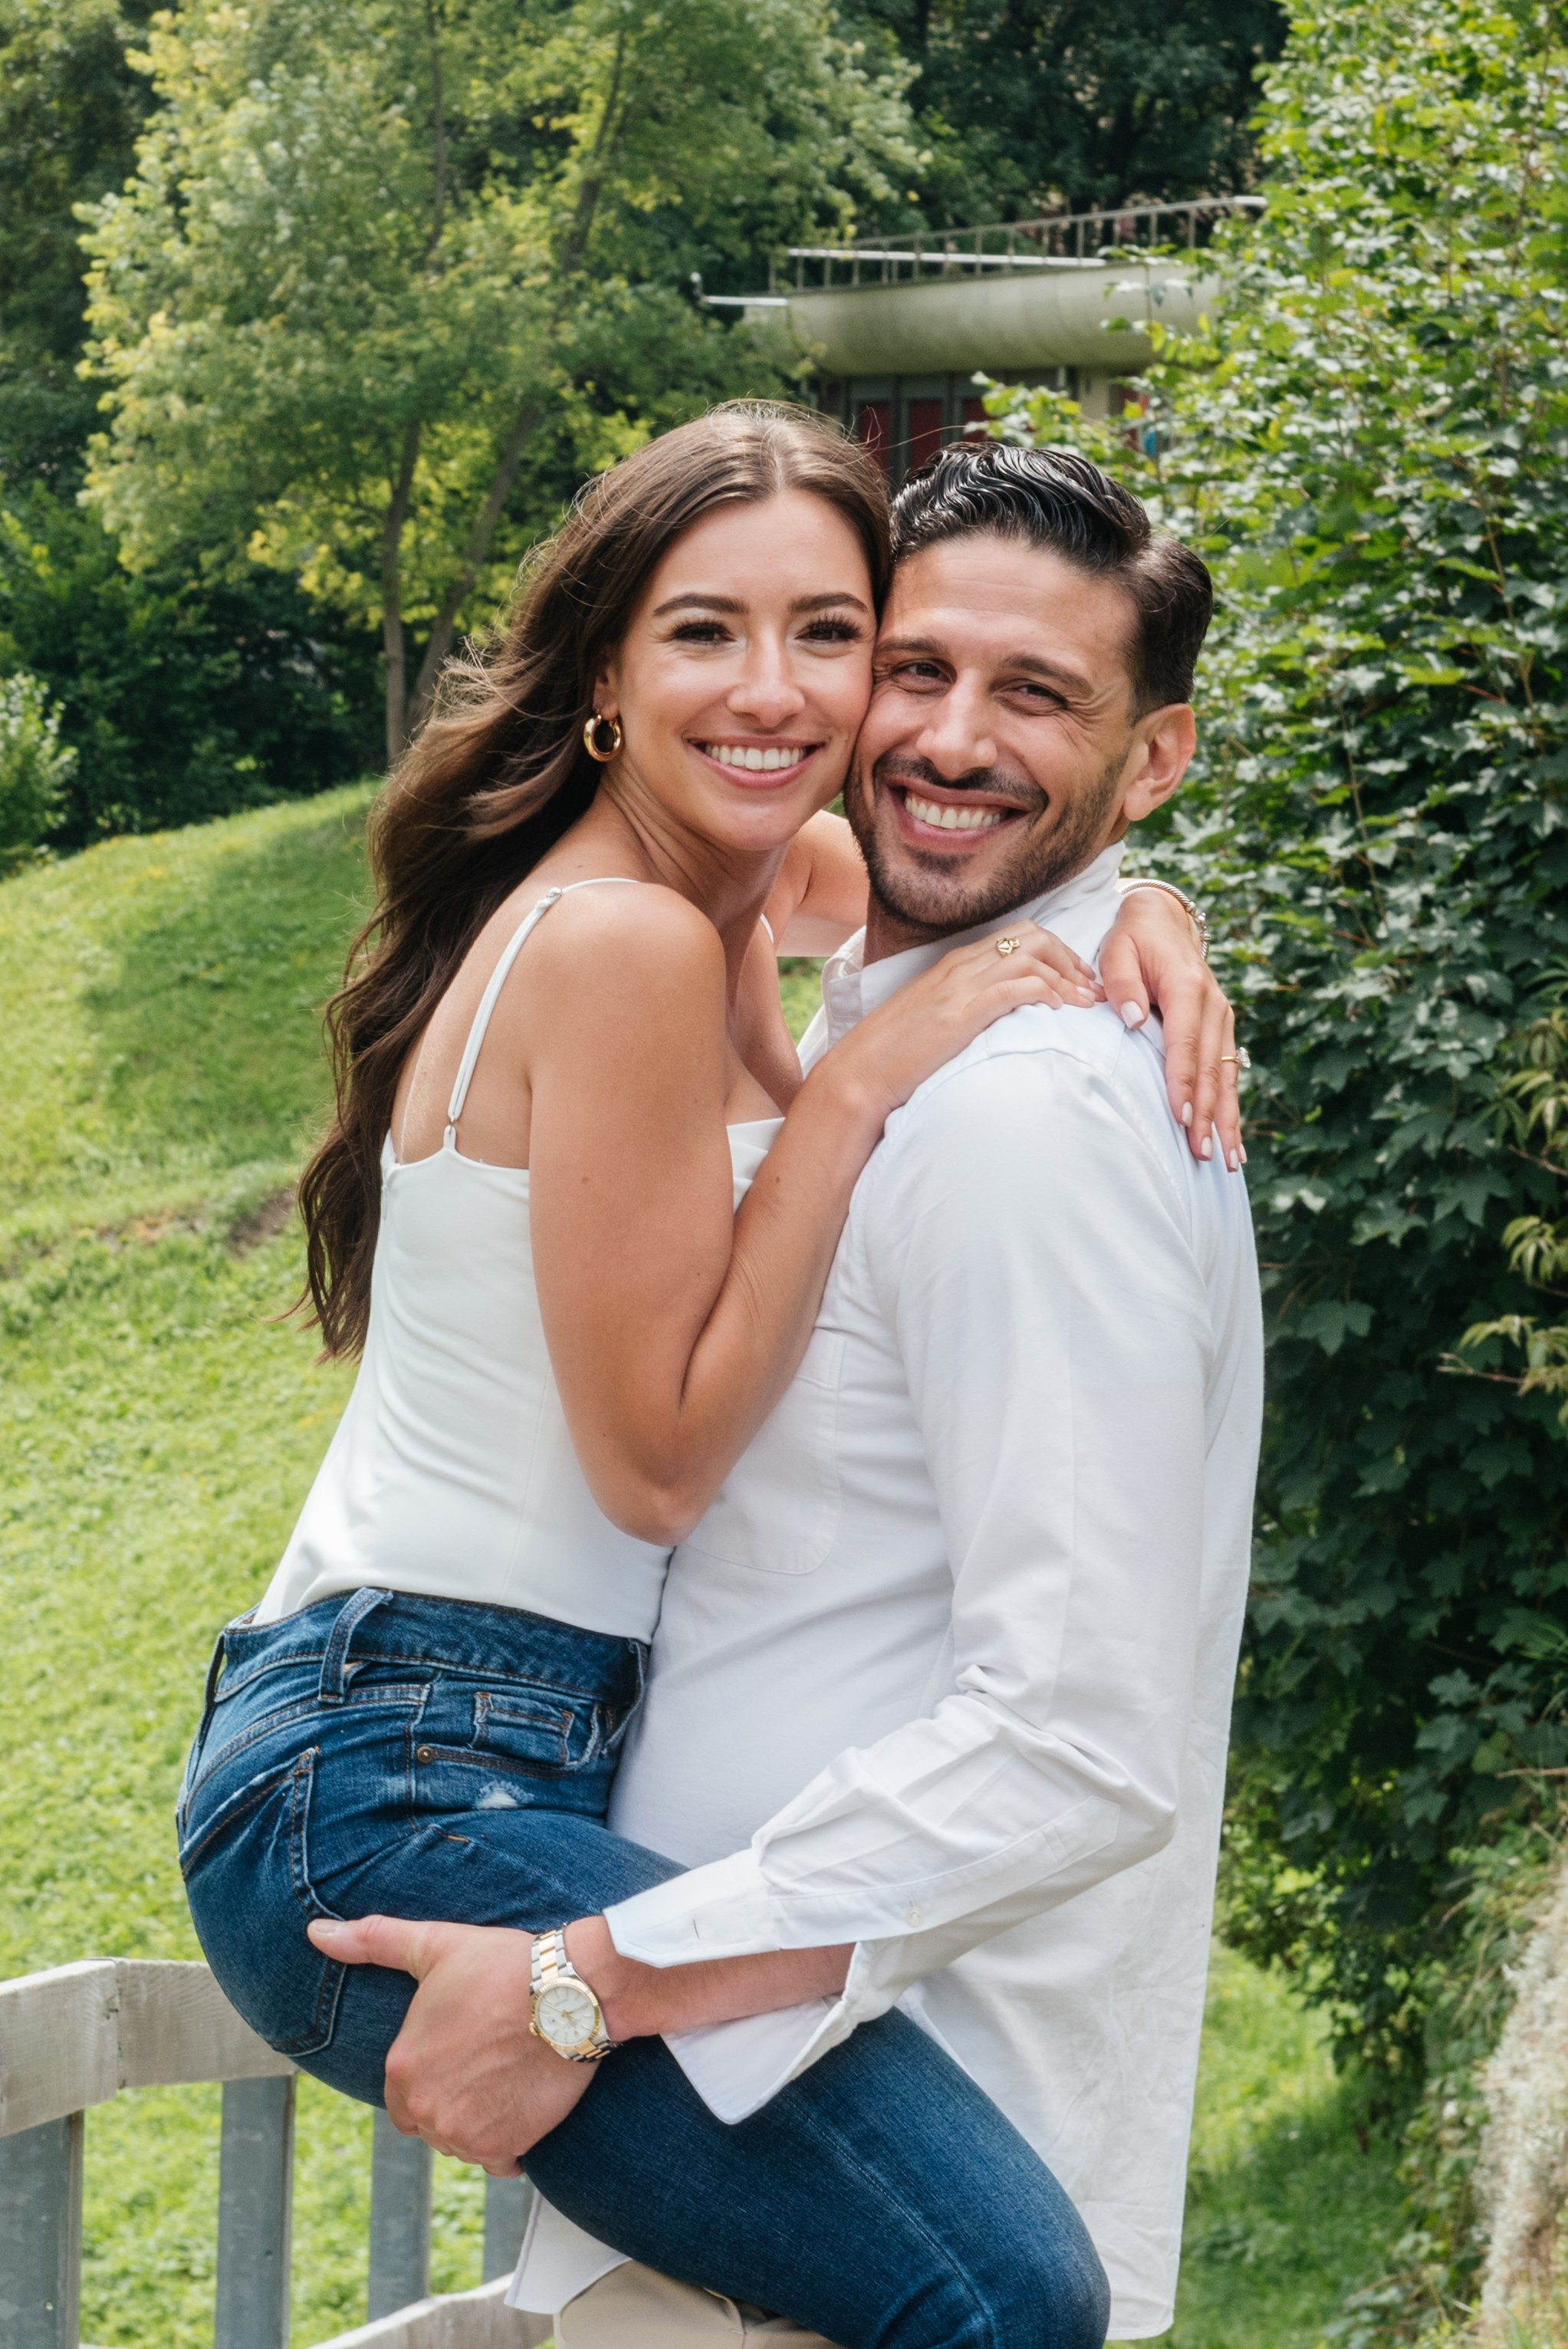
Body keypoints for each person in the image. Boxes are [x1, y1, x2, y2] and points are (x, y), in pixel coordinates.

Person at [176, 410, 1228, 2349]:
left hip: (462, 1731)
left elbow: (961, 857)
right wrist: (855, 1093)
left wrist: (1141, 913)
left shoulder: (745, 884)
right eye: (704, 635)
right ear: (602, 673)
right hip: (392, 1759)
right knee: (997, 2285)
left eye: (834, 636)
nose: (781, 693)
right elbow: (657, 1470)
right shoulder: (634, 941)